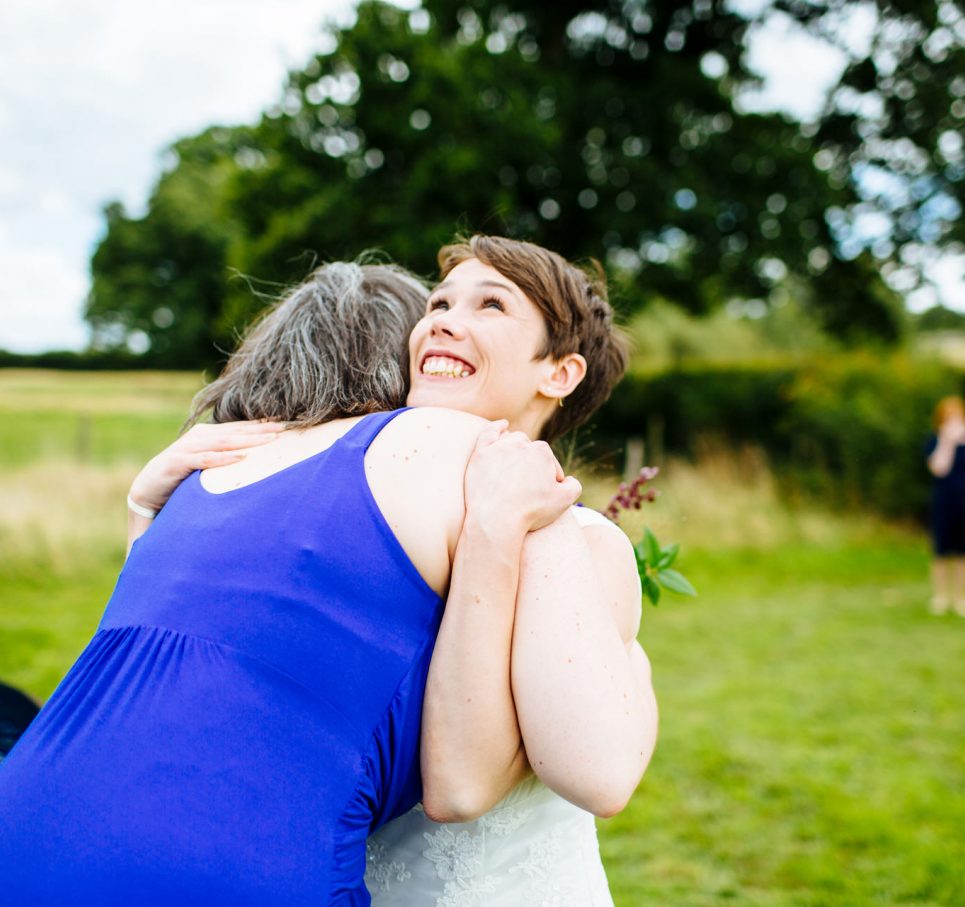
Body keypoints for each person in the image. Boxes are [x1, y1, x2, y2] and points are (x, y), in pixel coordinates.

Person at [0, 260, 602, 906]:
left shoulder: (199, 482)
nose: (444, 330)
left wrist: (141, 509)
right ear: (397, 365)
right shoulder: (454, 454)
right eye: (436, 308)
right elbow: (486, 782)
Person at [123, 236, 655, 905]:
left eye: (491, 305)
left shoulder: (581, 543)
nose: (442, 321)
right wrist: (147, 511)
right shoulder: (369, 524)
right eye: (438, 304)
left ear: (560, 373)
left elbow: (568, 776)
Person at [924, 396, 965, 618]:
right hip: (944, 502)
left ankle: (961, 597)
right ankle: (941, 597)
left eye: (958, 416)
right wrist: (948, 442)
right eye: (949, 417)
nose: (954, 421)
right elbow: (939, 468)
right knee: (941, 552)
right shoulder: (935, 440)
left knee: (963, 552)